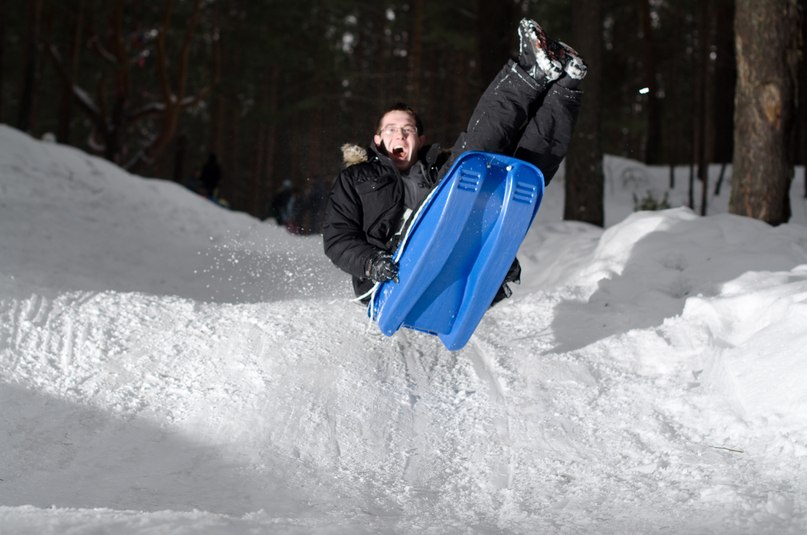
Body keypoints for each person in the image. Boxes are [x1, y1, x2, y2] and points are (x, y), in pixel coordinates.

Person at [323, 18, 586, 303]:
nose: (400, 134)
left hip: (455, 256)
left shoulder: (438, 167)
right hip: (391, 279)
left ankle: (564, 89)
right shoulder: (355, 179)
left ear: (420, 139)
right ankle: (529, 71)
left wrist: (495, 253)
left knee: (516, 170)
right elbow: (338, 238)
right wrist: (371, 263)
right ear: (378, 141)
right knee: (472, 154)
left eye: (407, 129)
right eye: (391, 130)